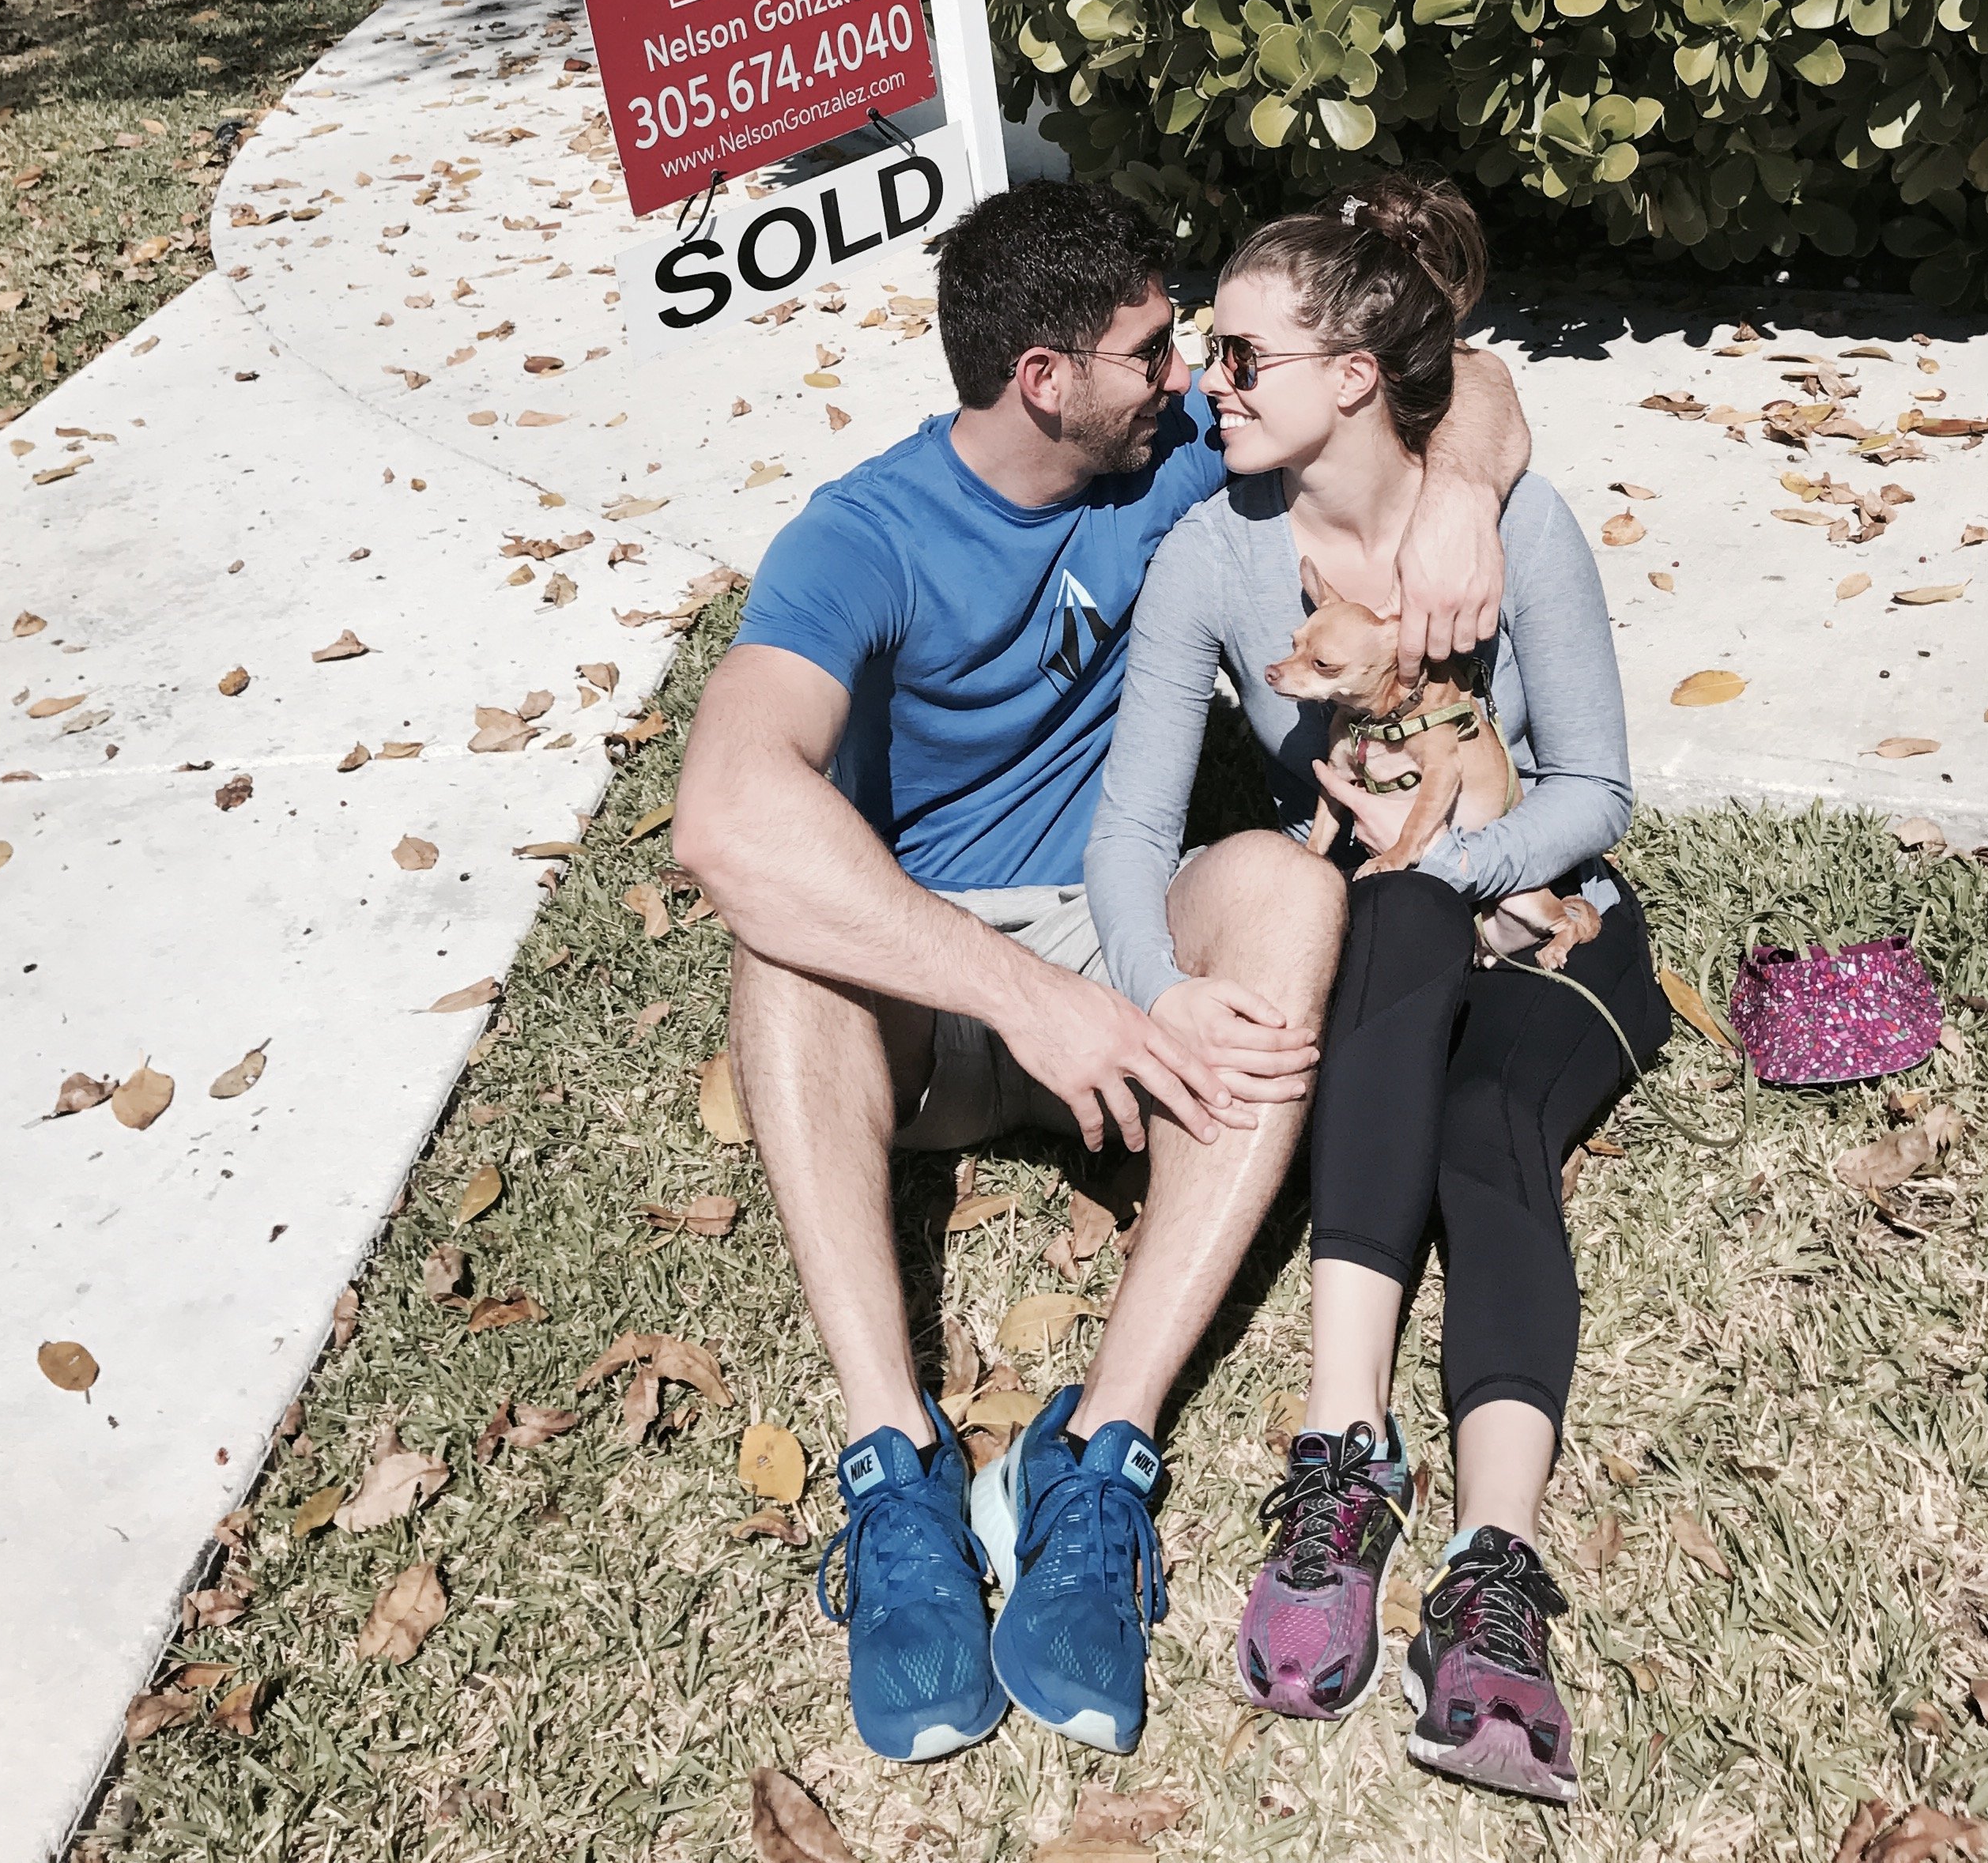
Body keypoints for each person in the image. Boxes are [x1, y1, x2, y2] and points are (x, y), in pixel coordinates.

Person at [671, 179, 1530, 1763]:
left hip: (1124, 931)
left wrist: (1461, 491)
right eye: (1152, 353)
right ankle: (895, 1467)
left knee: (1287, 891)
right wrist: (1027, 999)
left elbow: (1458, 375)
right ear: (1044, 380)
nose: (1190, 379)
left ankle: (1100, 1455)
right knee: (779, 938)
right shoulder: (862, 536)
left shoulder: (1166, 450)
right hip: (930, 979)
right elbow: (724, 812)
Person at [1084, 171, 1672, 1807]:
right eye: (1209, 352)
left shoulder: (1509, 524)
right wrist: (1156, 989)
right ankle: (1344, 1452)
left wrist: (1457, 860)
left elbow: (1598, 790)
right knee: (1392, 921)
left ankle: (1494, 1572)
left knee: (1489, 1125)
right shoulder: (1213, 555)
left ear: (1355, 376)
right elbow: (1132, 829)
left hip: (1551, 924)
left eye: (1241, 356)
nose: (1208, 381)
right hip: (1387, 933)